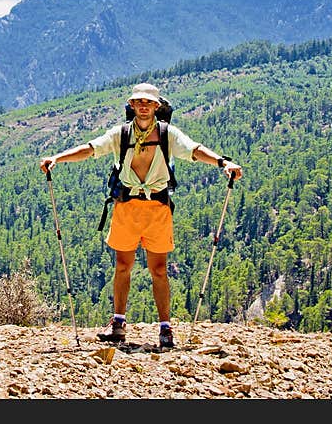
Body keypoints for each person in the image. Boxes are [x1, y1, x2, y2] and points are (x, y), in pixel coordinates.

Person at [39, 82, 242, 348]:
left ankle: (165, 328)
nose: (143, 106)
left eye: (148, 102)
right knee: (123, 266)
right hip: (127, 206)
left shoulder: (168, 134)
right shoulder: (120, 134)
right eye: (139, 102)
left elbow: (194, 150)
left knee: (158, 270)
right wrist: (58, 157)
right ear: (132, 105)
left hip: (156, 208)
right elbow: (90, 148)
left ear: (157, 106)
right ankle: (119, 323)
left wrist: (222, 162)